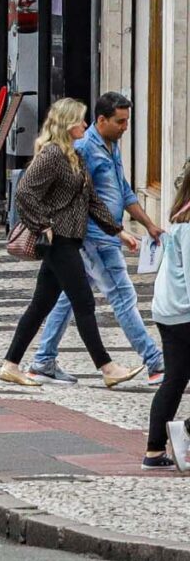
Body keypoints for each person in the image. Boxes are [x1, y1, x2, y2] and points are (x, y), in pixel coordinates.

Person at [2, 96, 142, 389]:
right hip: (59, 242)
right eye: (80, 120)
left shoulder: (74, 155)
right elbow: (24, 193)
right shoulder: (52, 154)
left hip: (70, 239)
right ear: (67, 124)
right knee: (84, 302)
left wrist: (118, 231)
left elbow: (91, 200)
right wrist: (45, 225)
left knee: (40, 305)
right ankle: (107, 367)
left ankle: (10, 364)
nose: (85, 124)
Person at [29, 91, 165, 385]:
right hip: (93, 237)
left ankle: (42, 360)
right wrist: (112, 231)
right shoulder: (84, 149)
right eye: (120, 121)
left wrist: (148, 224)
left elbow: (124, 190)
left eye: (127, 121)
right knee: (123, 295)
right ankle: (155, 362)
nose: (125, 127)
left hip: (104, 234)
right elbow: (83, 198)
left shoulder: (111, 145)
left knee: (67, 298)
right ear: (101, 120)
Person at [142, 156, 190, 469]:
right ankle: (185, 431)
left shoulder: (180, 213)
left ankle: (154, 451)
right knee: (174, 378)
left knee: (174, 379)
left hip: (168, 308)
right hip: (183, 311)